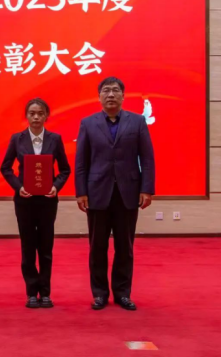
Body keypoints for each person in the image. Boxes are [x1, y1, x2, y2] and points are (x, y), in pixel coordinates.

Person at [75, 76, 155, 311]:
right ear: (99, 96)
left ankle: (122, 293)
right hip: (97, 193)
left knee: (125, 247)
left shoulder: (137, 121)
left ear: (123, 95)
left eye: (115, 90)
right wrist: (81, 192)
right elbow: (81, 162)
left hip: (127, 193)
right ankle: (99, 293)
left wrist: (147, 189)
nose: (111, 94)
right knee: (97, 247)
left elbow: (147, 158)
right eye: (106, 91)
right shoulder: (88, 123)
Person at [0, 97, 71, 309]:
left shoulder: (55, 139)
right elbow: (5, 168)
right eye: (32, 113)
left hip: (47, 201)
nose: (36, 117)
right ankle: (31, 292)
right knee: (28, 247)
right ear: (26, 116)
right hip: (25, 201)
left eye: (40, 113)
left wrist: (56, 186)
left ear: (46, 116)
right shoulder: (17, 139)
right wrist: (18, 186)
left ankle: (45, 292)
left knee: (46, 248)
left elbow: (65, 169)